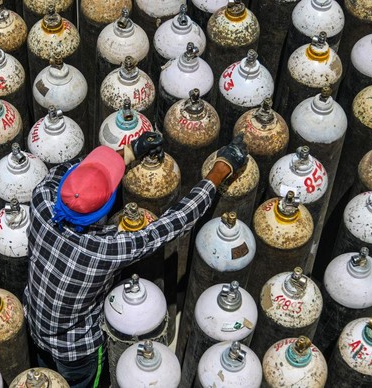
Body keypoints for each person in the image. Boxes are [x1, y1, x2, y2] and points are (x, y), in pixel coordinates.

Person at [23, 132, 248, 387]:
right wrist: (221, 169)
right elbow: (174, 222)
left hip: (35, 326)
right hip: (77, 350)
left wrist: (131, 151)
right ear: (106, 209)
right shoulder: (104, 250)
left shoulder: (40, 200)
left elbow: (76, 171)